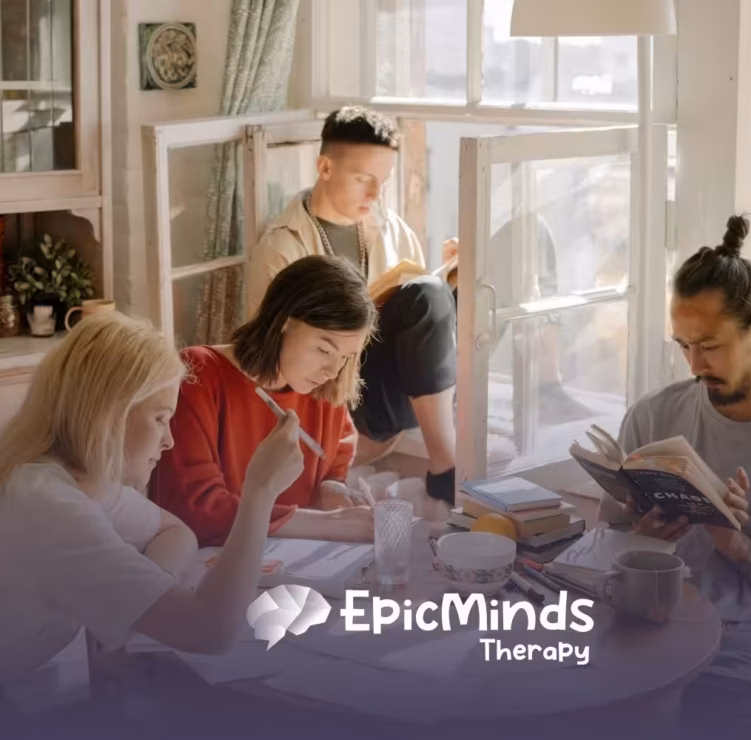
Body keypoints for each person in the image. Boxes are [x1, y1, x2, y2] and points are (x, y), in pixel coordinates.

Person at [597, 216, 751, 740]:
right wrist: (642, 538)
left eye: (708, 345)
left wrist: (735, 545)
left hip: (746, 666)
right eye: (683, 345)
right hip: (644, 639)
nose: (693, 365)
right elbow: (605, 553)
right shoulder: (652, 417)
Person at [0, 312, 306, 713]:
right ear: (110, 413)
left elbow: (174, 531)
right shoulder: (50, 505)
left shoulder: (75, 479)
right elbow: (210, 631)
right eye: (160, 419)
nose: (169, 440)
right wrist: (259, 492)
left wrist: (144, 596)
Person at [246, 105, 458, 504]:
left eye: (383, 181)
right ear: (325, 167)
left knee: (462, 279)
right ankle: (446, 468)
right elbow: (273, 359)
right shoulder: (282, 247)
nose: (375, 194)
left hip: (401, 390)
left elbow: (419, 319)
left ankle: (451, 445)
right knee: (428, 294)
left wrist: (449, 277)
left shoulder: (392, 229)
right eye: (363, 179)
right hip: (342, 399)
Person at [149, 255, 377, 547]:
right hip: (216, 561)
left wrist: (331, 487)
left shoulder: (324, 386)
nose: (333, 370)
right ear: (284, 322)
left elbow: (337, 455)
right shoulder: (199, 374)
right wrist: (328, 524)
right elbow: (195, 509)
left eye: (346, 357)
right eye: (324, 350)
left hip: (298, 559)